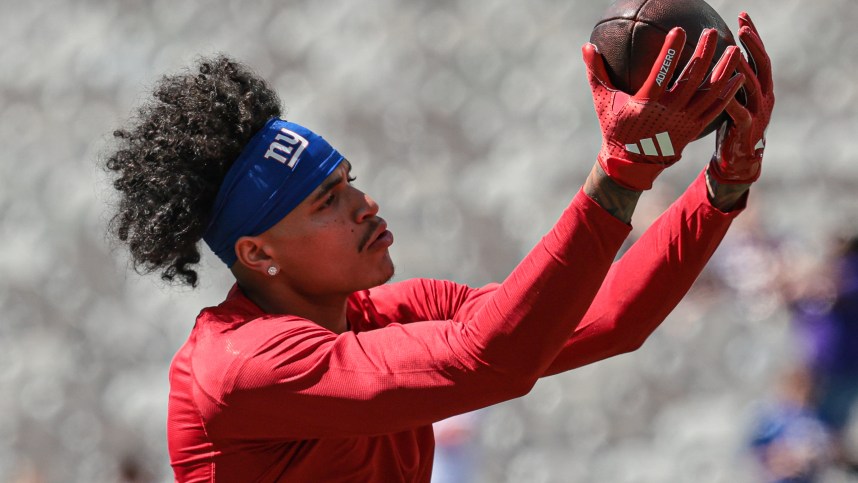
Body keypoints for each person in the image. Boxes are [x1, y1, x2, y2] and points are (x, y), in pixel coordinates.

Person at [103, 13, 774, 482]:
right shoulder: (241, 366)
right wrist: (621, 171)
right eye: (326, 202)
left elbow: (603, 317)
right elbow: (497, 359)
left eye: (349, 183)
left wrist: (722, 185)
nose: (363, 204)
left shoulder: (391, 313)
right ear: (257, 254)